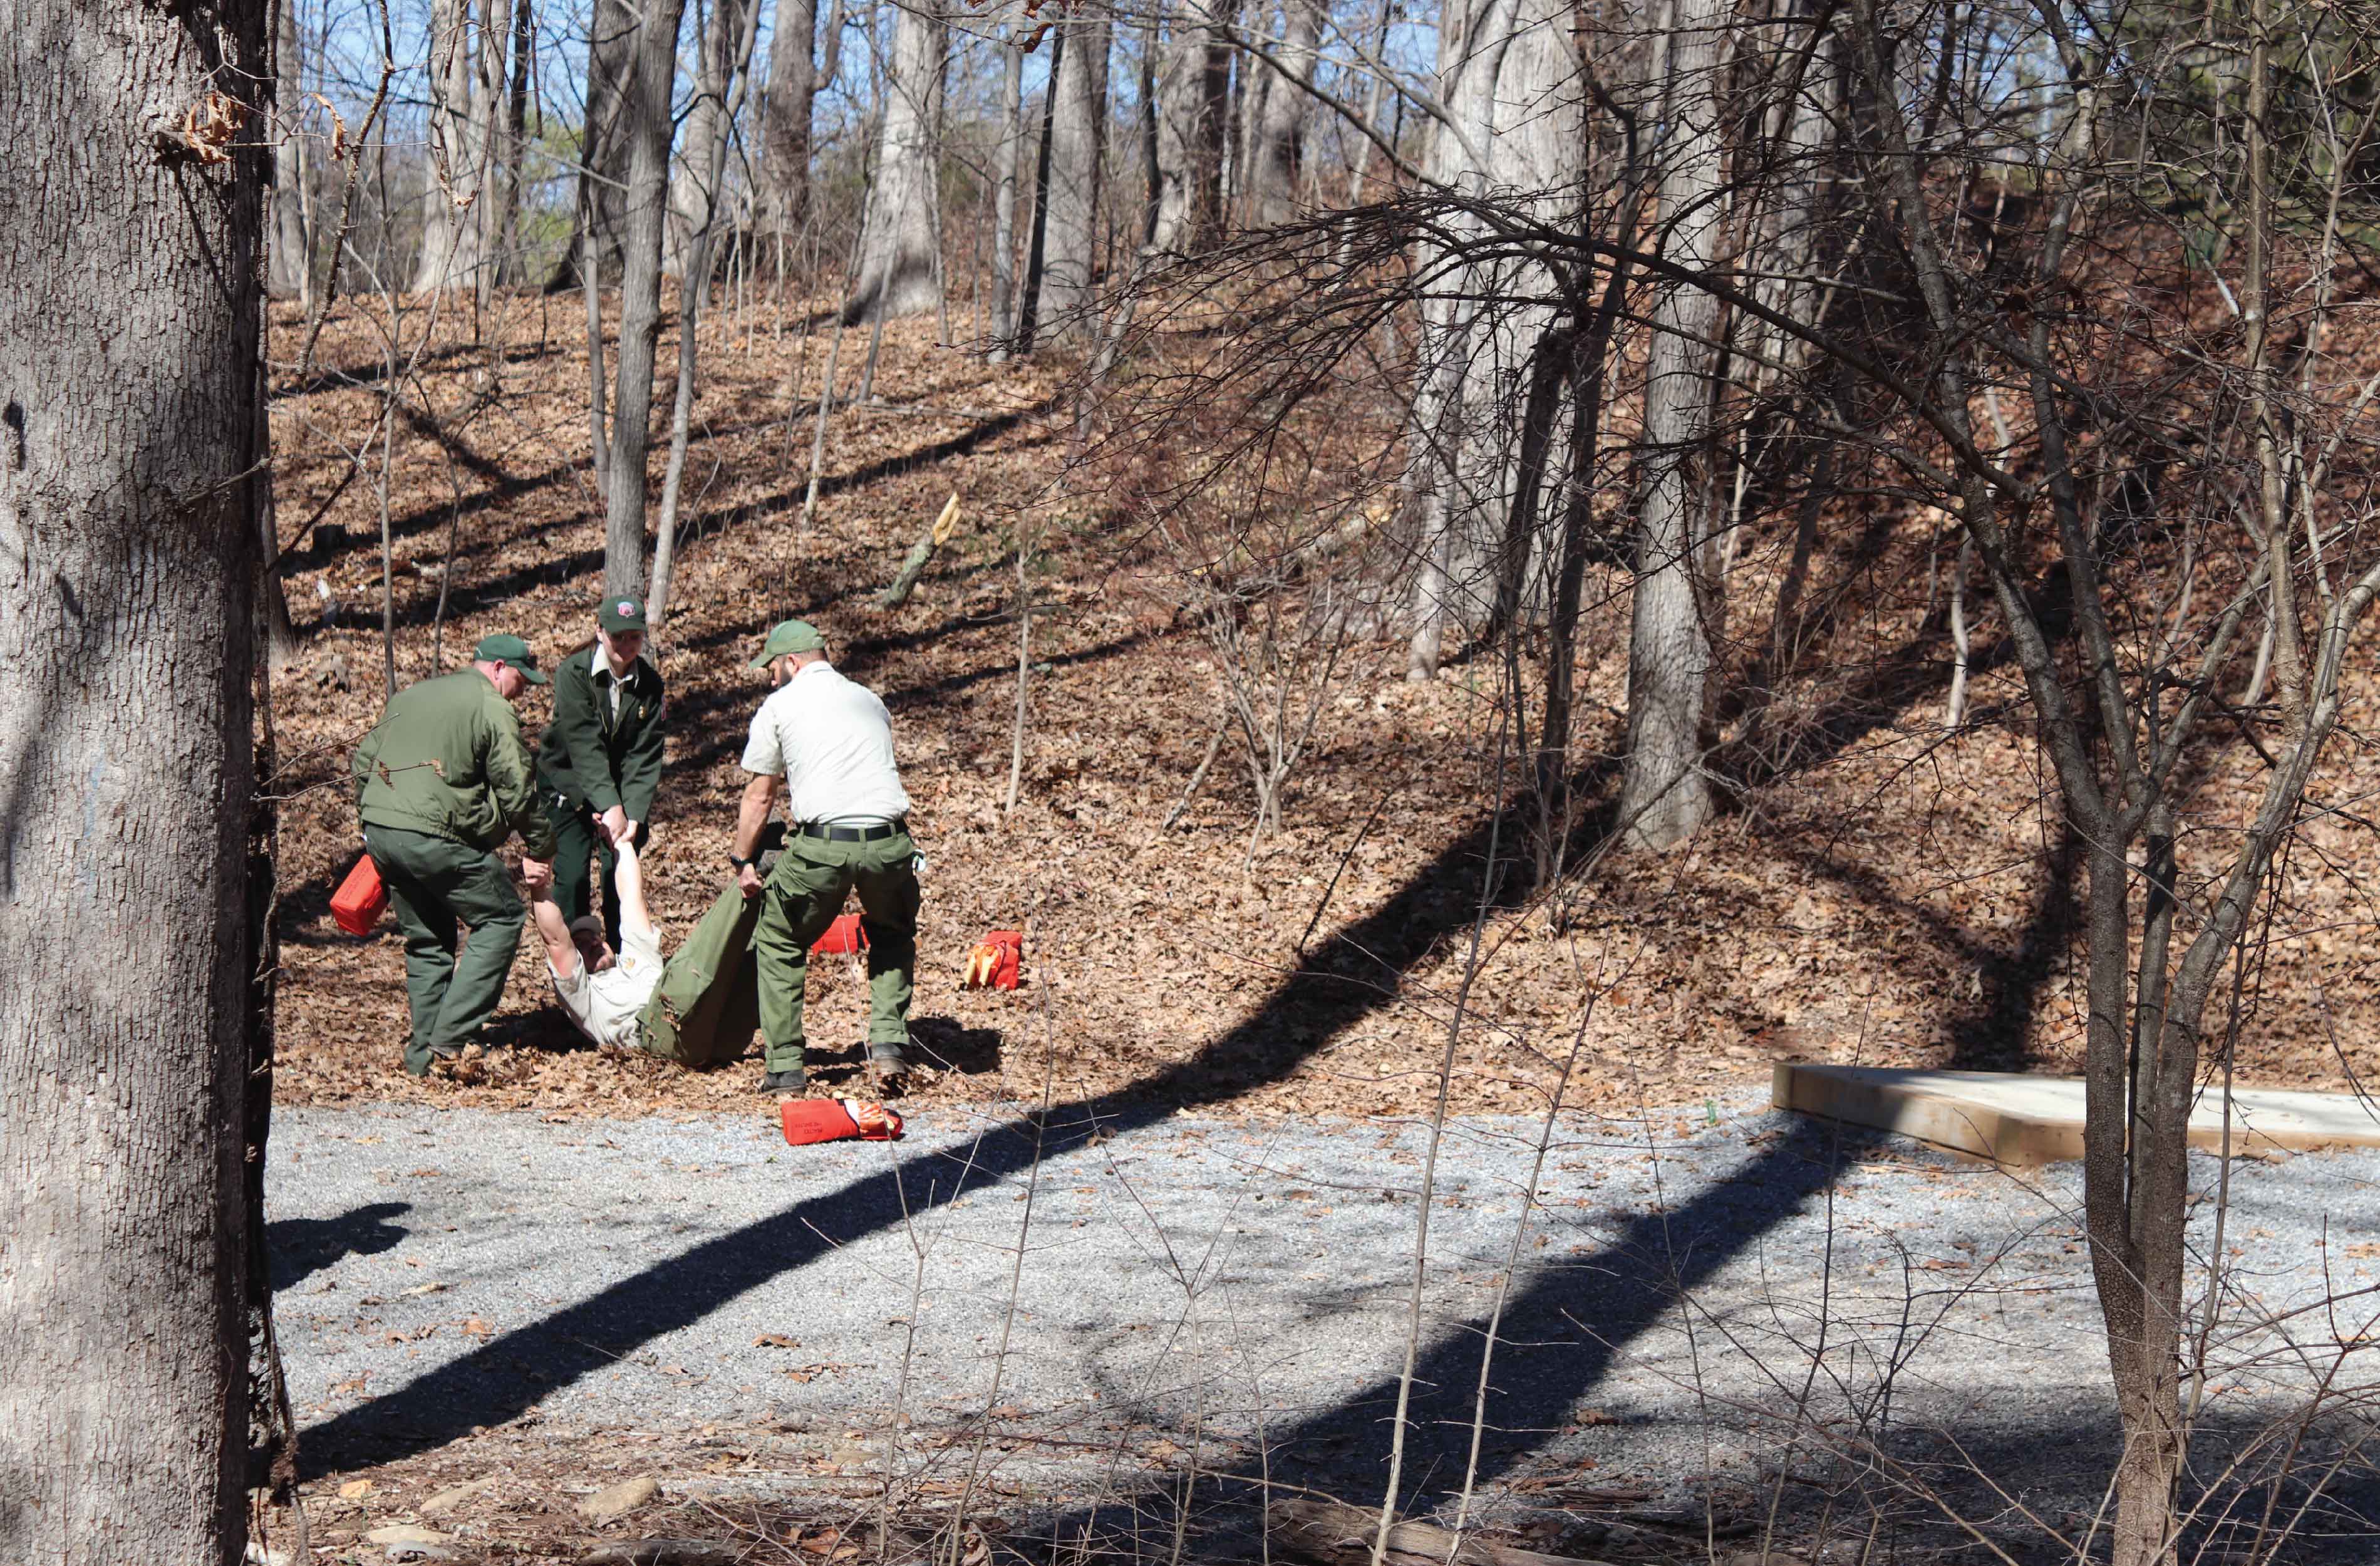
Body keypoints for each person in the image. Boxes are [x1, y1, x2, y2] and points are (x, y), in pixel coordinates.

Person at [728, 619, 919, 1096]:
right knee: (892, 933)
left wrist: (741, 859)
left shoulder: (780, 705)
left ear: (792, 662)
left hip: (824, 845)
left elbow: (759, 796)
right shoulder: (868, 699)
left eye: (773, 667)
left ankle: (786, 1070)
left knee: (778, 938)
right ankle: (890, 1047)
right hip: (890, 841)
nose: (771, 677)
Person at [352, 633, 557, 1076]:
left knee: (428, 940)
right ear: (499, 668)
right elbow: (517, 785)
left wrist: (373, 824)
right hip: (434, 837)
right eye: (522, 680)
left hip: (385, 833)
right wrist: (542, 846)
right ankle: (451, 1042)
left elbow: (363, 761)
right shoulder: (491, 705)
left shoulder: (411, 695)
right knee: (501, 918)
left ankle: (422, 1057)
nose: (523, 692)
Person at [536, 593, 665, 948]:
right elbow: (583, 744)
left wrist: (633, 814)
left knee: (619, 876)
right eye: (617, 636)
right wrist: (610, 806)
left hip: (620, 795)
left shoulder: (650, 685)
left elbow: (645, 755)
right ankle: (576, 968)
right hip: (568, 784)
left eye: (634, 637)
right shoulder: (573, 674)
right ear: (600, 632)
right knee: (573, 878)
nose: (626, 644)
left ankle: (626, 963)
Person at [522, 836, 664, 1052]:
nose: (594, 943)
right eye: (582, 943)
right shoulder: (585, 998)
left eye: (596, 938)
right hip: (656, 1031)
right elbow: (556, 940)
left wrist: (622, 842)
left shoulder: (636, 958)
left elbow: (632, 896)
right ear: (577, 962)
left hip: (696, 1006)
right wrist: (539, 887)